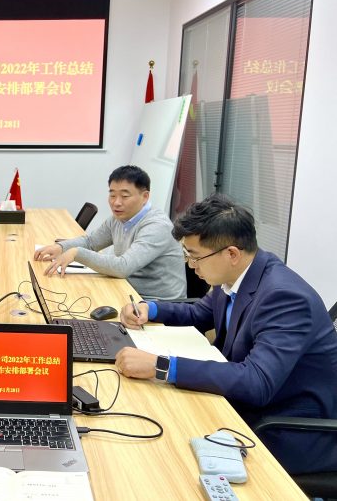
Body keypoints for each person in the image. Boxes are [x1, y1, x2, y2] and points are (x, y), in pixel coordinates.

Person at [115, 194, 337, 475]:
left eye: (194, 256)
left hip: (287, 427)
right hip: (243, 404)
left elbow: (257, 382)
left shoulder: (284, 297)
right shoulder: (239, 274)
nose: (191, 265)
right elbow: (200, 313)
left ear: (231, 253)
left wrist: (161, 366)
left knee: (168, 454)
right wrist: (151, 308)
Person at [34, 165, 186, 300]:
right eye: (112, 195)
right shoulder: (119, 218)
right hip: (126, 289)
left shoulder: (157, 226)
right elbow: (91, 242)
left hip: (157, 304)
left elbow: (123, 267)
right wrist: (61, 247)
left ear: (145, 197)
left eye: (124, 196)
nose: (116, 202)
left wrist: (77, 253)